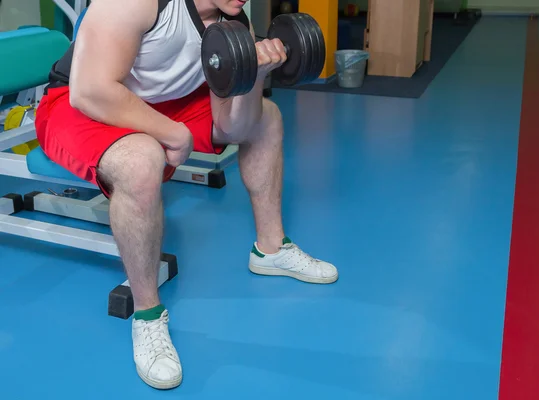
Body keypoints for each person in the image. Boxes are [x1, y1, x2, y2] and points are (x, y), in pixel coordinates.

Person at [35, 0, 339, 390]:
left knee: (268, 119)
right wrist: (171, 133)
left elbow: (236, 127)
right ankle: (147, 316)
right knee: (141, 159)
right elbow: (90, 90)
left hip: (156, 101)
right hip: (78, 102)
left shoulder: (234, 21)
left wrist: (257, 75)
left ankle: (271, 249)